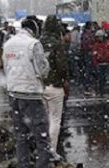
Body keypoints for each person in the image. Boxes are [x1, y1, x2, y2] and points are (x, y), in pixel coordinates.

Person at [2, 19, 55, 168]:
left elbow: (5, 67)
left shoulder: (8, 43)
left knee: (21, 137)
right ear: (34, 30)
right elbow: (42, 69)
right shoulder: (34, 44)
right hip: (31, 95)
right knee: (42, 138)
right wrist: (46, 65)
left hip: (14, 94)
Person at [40, 16, 70, 154]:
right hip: (55, 84)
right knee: (55, 119)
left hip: (40, 85)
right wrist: (65, 78)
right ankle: (51, 150)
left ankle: (42, 147)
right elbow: (62, 66)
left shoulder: (38, 42)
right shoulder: (58, 44)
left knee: (44, 119)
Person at [91, 30, 109, 96]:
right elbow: (94, 55)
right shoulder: (96, 45)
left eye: (100, 37)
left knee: (107, 78)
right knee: (101, 79)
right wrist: (96, 63)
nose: (99, 38)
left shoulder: (108, 44)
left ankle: (106, 90)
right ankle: (101, 91)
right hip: (100, 64)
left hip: (106, 63)